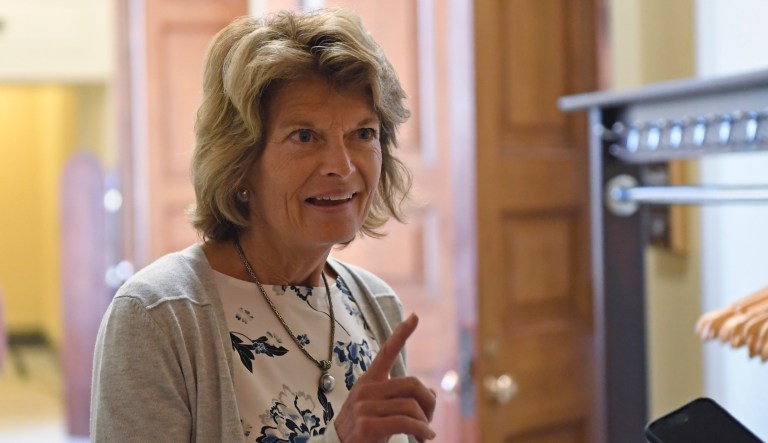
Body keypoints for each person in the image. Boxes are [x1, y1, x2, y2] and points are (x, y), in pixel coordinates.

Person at [90, 7, 437, 443]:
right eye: (305, 136)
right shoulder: (157, 318)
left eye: (362, 133)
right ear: (240, 164)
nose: (342, 166)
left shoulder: (376, 304)